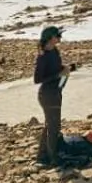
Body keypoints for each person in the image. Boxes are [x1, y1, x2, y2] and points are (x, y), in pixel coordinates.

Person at [33, 26, 73, 165]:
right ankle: (53, 158)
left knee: (51, 125)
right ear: (50, 38)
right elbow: (37, 79)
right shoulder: (43, 56)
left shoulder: (54, 51)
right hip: (48, 95)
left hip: (56, 92)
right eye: (58, 35)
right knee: (54, 127)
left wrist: (66, 69)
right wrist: (58, 74)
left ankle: (42, 157)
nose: (60, 38)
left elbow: (56, 70)